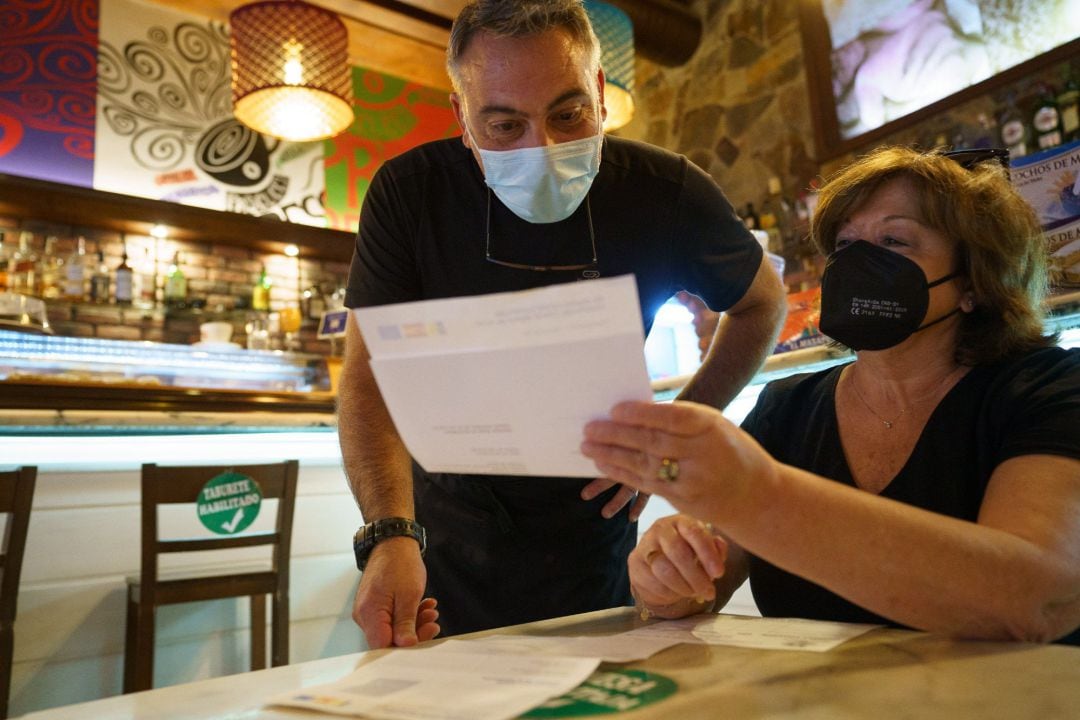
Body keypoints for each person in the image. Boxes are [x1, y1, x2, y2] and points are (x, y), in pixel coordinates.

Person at [338, 0, 786, 647]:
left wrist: (675, 431)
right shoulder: (410, 197)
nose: (540, 148)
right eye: (504, 125)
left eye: (567, 114)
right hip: (446, 529)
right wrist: (389, 533)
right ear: (463, 119)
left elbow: (762, 303)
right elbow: (367, 376)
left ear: (602, 95)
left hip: (592, 523)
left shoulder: (663, 192)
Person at [580, 146, 1080, 644]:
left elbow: (1037, 601)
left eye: (893, 240)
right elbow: (700, 585)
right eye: (845, 244)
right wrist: (667, 578)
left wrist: (757, 495)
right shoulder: (787, 408)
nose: (859, 263)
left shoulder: (1047, 389)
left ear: (974, 281)